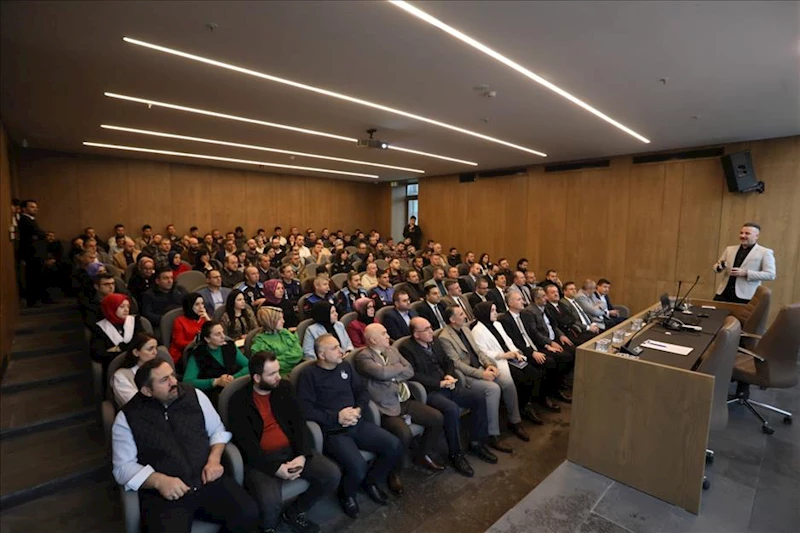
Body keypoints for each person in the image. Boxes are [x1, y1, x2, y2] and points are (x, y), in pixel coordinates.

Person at [111, 359, 258, 533]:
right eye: (164, 380)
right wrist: (159, 481)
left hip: (206, 480)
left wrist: (214, 459)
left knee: (248, 513)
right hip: (166, 494)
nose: (174, 382)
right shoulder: (127, 417)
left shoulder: (194, 395)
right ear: (147, 391)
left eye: (172, 375)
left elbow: (217, 430)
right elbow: (123, 468)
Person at [228, 351, 340, 533]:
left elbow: (299, 424)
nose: (278, 377)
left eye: (278, 371)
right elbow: (246, 445)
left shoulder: (285, 388)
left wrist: (302, 455)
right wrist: (275, 468)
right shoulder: (238, 401)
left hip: (292, 450)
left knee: (331, 475)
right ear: (257, 378)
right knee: (269, 502)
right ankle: (269, 528)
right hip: (262, 460)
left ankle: (295, 512)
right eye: (272, 374)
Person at [295, 334, 404, 518]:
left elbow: (362, 391)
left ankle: (370, 481)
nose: (341, 351)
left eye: (339, 346)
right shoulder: (309, 375)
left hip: (356, 422)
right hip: (333, 431)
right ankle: (347, 494)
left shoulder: (345, 366)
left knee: (394, 445)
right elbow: (306, 410)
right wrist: (336, 417)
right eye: (334, 348)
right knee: (357, 466)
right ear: (321, 355)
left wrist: (358, 410)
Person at [355, 323, 447, 487]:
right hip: (385, 406)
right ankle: (394, 472)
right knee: (403, 433)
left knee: (436, 418)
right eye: (384, 334)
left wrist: (391, 374)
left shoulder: (392, 350)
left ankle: (422, 455)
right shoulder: (363, 357)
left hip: (404, 399)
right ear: (373, 339)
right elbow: (381, 373)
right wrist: (397, 369)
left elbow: (409, 370)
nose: (388, 336)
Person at [400, 317, 493, 474]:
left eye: (431, 327)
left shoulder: (434, 341)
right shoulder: (406, 348)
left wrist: (449, 375)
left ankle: (477, 442)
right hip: (430, 391)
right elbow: (413, 375)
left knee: (478, 397)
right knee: (451, 409)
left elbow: (448, 361)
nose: (431, 331)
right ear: (416, 334)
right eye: (426, 329)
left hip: (447, 384)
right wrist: (439, 383)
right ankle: (456, 454)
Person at [439, 305, 524, 452]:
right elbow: (457, 364)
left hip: (481, 367)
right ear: (452, 319)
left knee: (507, 381)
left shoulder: (465, 329)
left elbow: (478, 351)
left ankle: (514, 421)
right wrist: (481, 374)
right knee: (493, 389)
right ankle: (492, 434)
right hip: (467, 376)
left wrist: (489, 365)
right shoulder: (444, 337)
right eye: (461, 314)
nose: (465, 316)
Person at [471, 301, 546, 425]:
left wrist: (515, 352)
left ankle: (526, 404)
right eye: (492, 311)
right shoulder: (477, 331)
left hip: (511, 356)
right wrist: (504, 355)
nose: (496, 313)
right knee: (520, 379)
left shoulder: (497, 324)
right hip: (498, 361)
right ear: (484, 313)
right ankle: (519, 411)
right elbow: (483, 352)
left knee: (534, 374)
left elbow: (508, 341)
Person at [182, 321, 249, 404]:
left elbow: (249, 366)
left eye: (222, 332)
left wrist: (233, 378)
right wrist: (215, 381)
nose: (223, 336)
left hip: (234, 388)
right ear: (207, 339)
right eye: (218, 334)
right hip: (213, 395)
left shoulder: (230, 346)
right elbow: (187, 382)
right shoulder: (198, 354)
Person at [713, 222, 776, 303]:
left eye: (747, 233)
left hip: (746, 296)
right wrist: (719, 267)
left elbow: (770, 275)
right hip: (723, 292)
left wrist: (746, 273)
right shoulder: (729, 249)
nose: (742, 236)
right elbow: (716, 267)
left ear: (756, 236)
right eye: (741, 233)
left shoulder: (765, 252)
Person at [90, 293, 145, 372]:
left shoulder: (135, 321)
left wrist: (118, 348)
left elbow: (142, 342)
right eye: (122, 307)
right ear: (111, 308)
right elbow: (98, 354)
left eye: (128, 306)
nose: (126, 310)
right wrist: (129, 349)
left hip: (139, 362)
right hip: (115, 366)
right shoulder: (99, 328)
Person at [251, 306, 304, 376]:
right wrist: (290, 358)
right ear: (270, 321)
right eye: (279, 319)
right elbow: (269, 366)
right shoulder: (260, 342)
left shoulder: (285, 333)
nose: (283, 321)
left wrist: (280, 358)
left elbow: (299, 353)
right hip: (277, 375)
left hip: (297, 371)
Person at [111, 333, 161, 407]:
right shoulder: (121, 376)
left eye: (156, 348)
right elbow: (135, 404)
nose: (155, 352)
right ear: (136, 352)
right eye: (150, 349)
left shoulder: (161, 369)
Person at [17, 199, 51, 306]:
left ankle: (41, 298)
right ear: (24, 209)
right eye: (32, 207)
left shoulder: (30, 219)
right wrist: (43, 235)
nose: (35, 209)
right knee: (33, 277)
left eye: (36, 207)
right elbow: (38, 233)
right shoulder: (25, 219)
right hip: (32, 253)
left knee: (38, 276)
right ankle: (33, 300)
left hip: (36, 253)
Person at [169, 292, 210, 364]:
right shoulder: (179, 321)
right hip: (183, 353)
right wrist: (196, 343)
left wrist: (208, 319)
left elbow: (216, 332)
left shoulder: (204, 318)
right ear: (190, 306)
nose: (201, 307)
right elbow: (179, 342)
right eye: (197, 304)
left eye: (202, 303)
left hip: (203, 349)